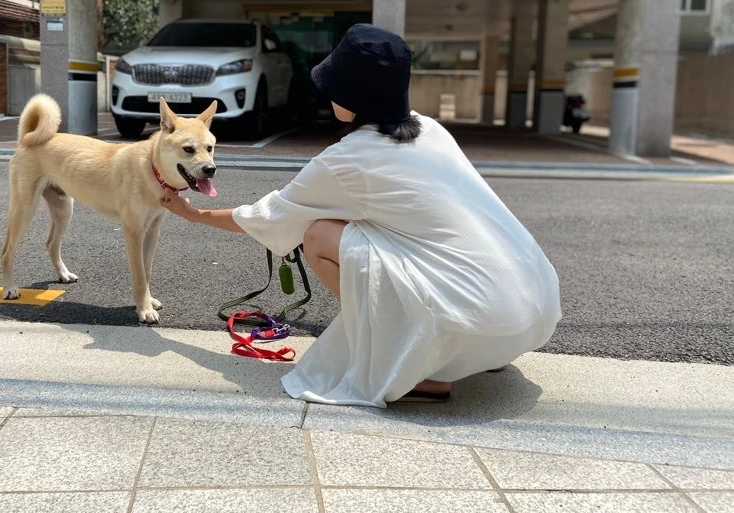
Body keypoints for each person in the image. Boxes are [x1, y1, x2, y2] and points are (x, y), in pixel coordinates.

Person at [160, 23, 562, 407]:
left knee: (318, 235)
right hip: (530, 312)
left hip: (474, 323)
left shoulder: (349, 159)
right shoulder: (430, 130)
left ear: (351, 94)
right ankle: (470, 351)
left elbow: (264, 217)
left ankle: (415, 369)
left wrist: (193, 213)